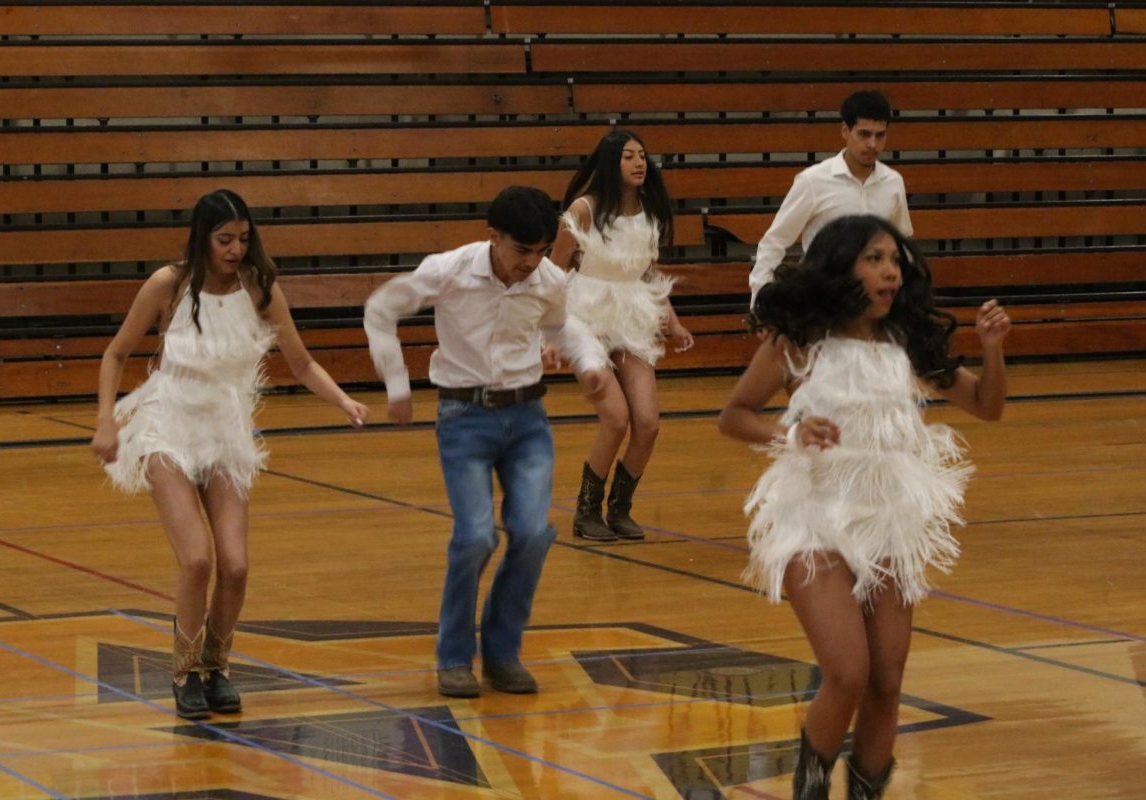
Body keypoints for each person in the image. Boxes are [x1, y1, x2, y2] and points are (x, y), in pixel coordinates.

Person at [718, 215, 1010, 799]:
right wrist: (793, 436)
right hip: (813, 517)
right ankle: (811, 788)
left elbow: (986, 405)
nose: (891, 273)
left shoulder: (906, 341)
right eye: (875, 259)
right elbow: (734, 416)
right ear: (842, 265)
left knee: (886, 680)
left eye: (895, 261)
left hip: (888, 523)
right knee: (848, 671)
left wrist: (992, 350)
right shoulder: (799, 341)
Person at [91, 189, 369, 720]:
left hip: (224, 433)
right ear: (203, 237)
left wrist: (344, 400)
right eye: (224, 239)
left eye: (243, 238)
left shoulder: (260, 288)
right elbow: (115, 353)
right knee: (197, 558)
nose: (235, 249)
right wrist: (106, 420)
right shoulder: (168, 285)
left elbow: (303, 363)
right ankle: (183, 672)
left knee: (236, 566)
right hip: (167, 427)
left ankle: (216, 667)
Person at [363, 185, 612, 698]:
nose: (532, 262)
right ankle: (454, 657)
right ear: (492, 234)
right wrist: (396, 384)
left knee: (532, 533)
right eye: (522, 250)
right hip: (463, 417)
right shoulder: (450, 269)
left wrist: (589, 364)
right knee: (475, 536)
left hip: (528, 420)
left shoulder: (547, 280)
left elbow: (564, 327)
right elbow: (381, 308)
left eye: (542, 250)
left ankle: (502, 654)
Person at [548, 129, 694, 543]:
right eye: (629, 155)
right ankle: (586, 510)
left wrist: (674, 320)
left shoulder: (650, 212)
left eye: (643, 155)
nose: (638, 162)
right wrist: (545, 332)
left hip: (633, 315)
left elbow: (646, 273)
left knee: (647, 423)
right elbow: (554, 270)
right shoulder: (583, 209)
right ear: (611, 163)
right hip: (584, 316)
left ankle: (620, 508)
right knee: (615, 418)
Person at [750, 90, 913, 305]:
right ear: (845, 131)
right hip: (822, 302)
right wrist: (759, 304)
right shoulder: (813, 181)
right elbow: (775, 241)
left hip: (875, 304)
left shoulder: (893, 182)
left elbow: (902, 243)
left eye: (880, 135)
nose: (873, 144)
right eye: (864, 134)